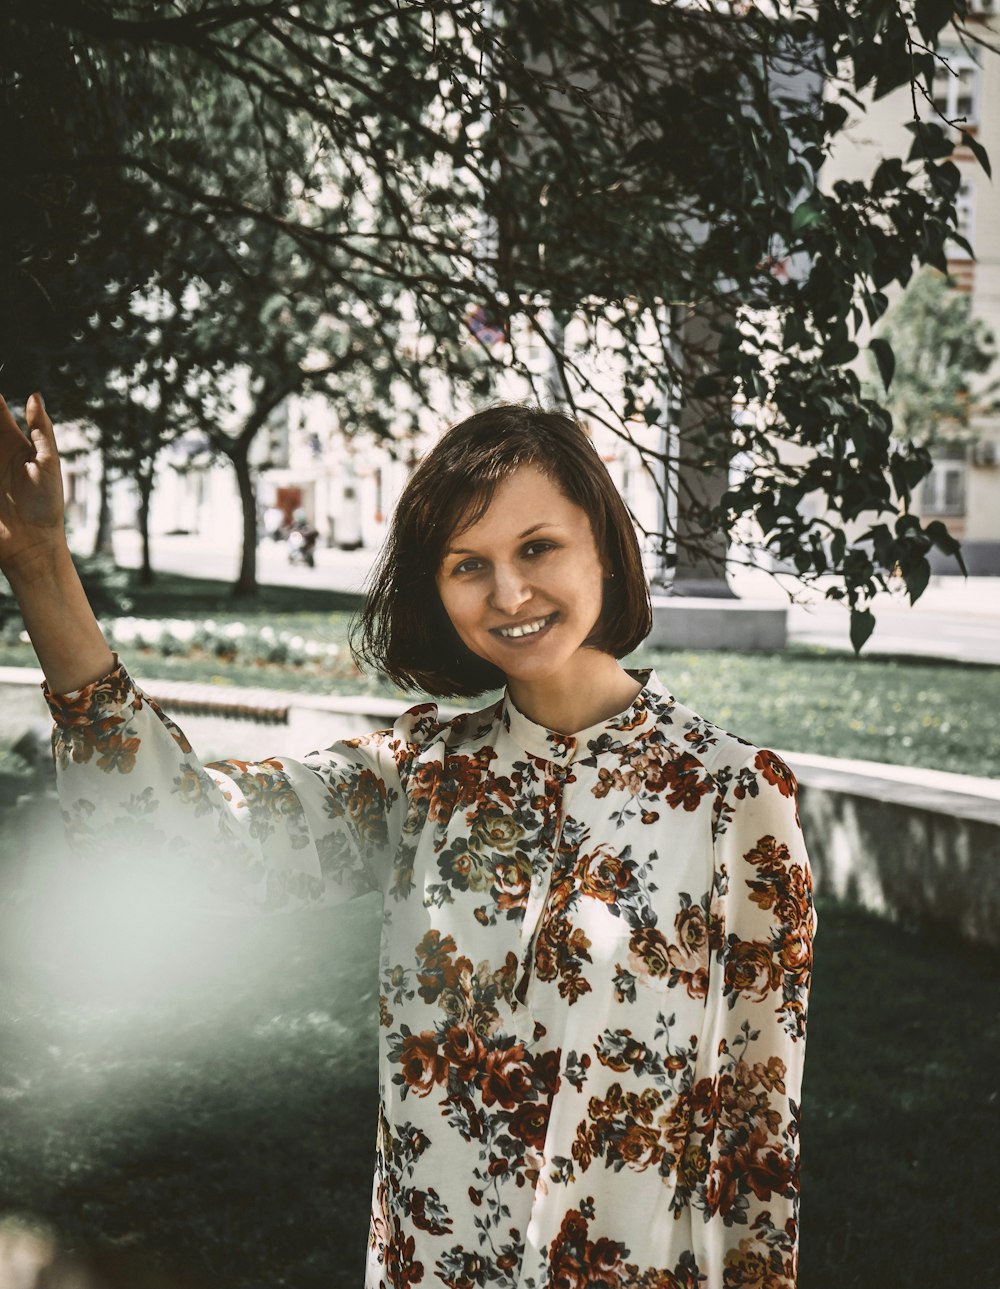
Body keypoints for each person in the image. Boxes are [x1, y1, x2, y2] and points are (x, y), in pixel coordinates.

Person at [0, 394, 815, 1289]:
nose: (509, 593)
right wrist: (43, 570)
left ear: (605, 545)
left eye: (537, 546)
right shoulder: (419, 775)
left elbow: (755, 1138)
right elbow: (185, 834)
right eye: (470, 564)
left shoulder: (735, 799)